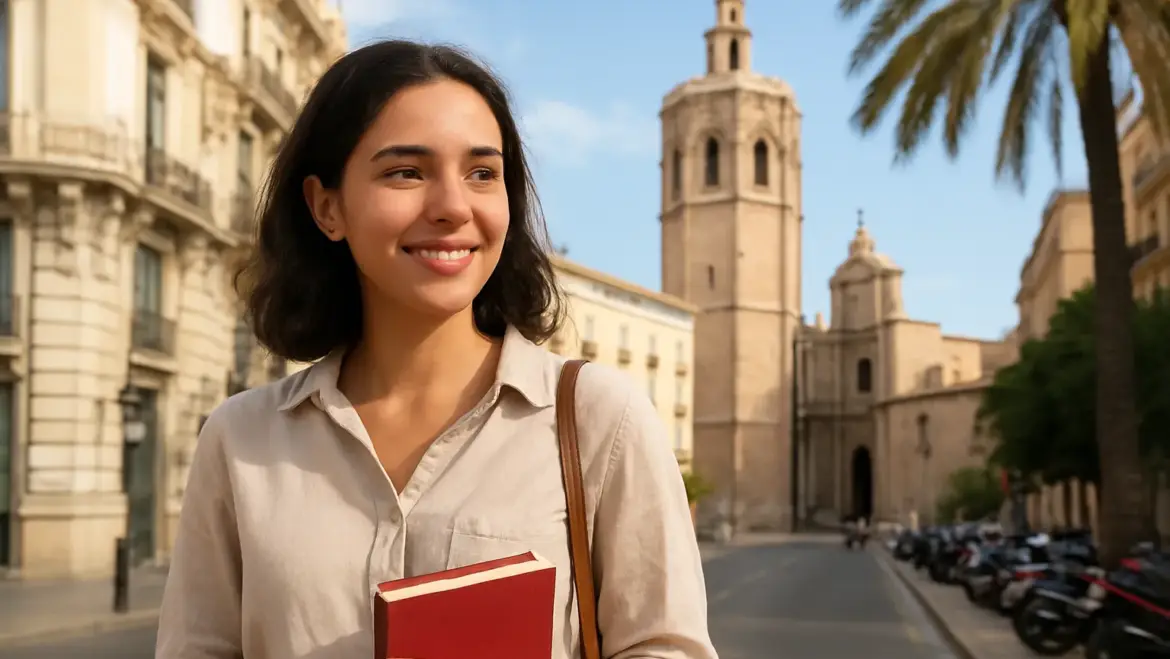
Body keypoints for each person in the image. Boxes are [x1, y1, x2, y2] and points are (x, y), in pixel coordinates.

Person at [154, 40, 717, 659]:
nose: (453, 206)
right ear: (326, 206)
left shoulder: (598, 420)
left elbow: (668, 648)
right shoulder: (241, 440)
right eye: (406, 172)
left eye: (482, 173)